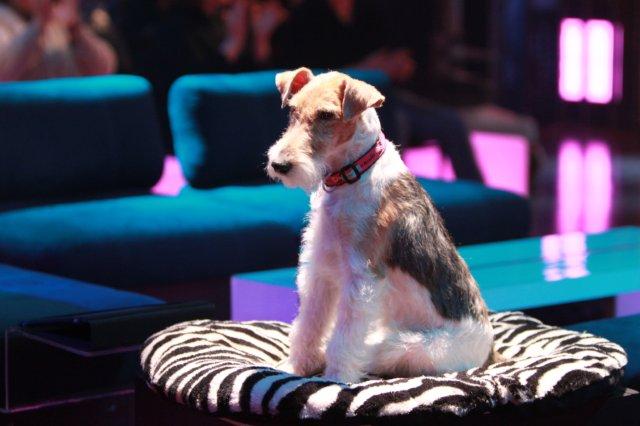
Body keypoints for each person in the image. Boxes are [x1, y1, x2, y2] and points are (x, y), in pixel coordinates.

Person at [266, 0, 483, 181]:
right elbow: (311, 81)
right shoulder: (305, 17)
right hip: (341, 109)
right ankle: (389, 186)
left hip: (389, 98)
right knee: (397, 123)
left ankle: (477, 194)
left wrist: (399, 64)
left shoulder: (371, 9)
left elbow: (400, 54)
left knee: (451, 123)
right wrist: (366, 68)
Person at [0, 0, 117, 81]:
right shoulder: (4, 18)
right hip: (20, 108)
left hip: (69, 106)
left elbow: (105, 69)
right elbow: (4, 73)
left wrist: (76, 31)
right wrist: (38, 26)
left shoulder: (60, 18)